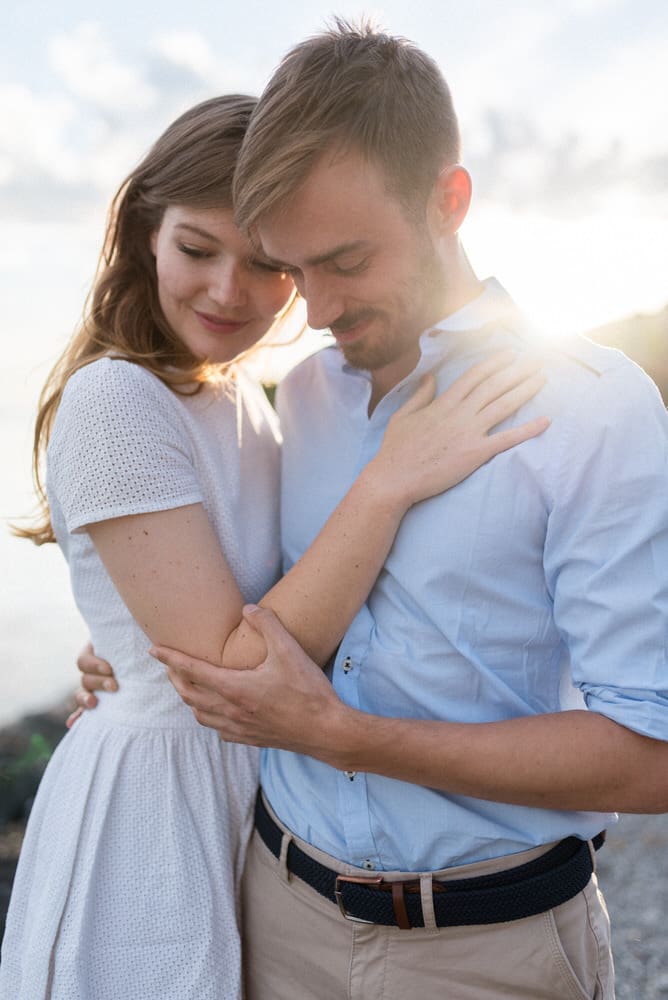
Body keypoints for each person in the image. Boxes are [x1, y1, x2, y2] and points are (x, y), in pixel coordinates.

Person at [122, 21, 668, 1000]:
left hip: (485, 950)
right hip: (270, 912)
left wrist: (348, 737)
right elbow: (269, 603)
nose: (316, 308)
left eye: (346, 259)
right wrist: (124, 656)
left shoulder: (591, 406)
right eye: (293, 269)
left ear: (447, 201)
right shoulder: (304, 398)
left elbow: (648, 757)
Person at [0, 92, 548, 1000]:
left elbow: (259, 593)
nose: (228, 291)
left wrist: (128, 645)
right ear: (144, 231)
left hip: (258, 787)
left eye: (264, 264)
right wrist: (392, 477)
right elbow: (228, 666)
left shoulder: (239, 400)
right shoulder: (114, 400)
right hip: (157, 808)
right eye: (196, 249)